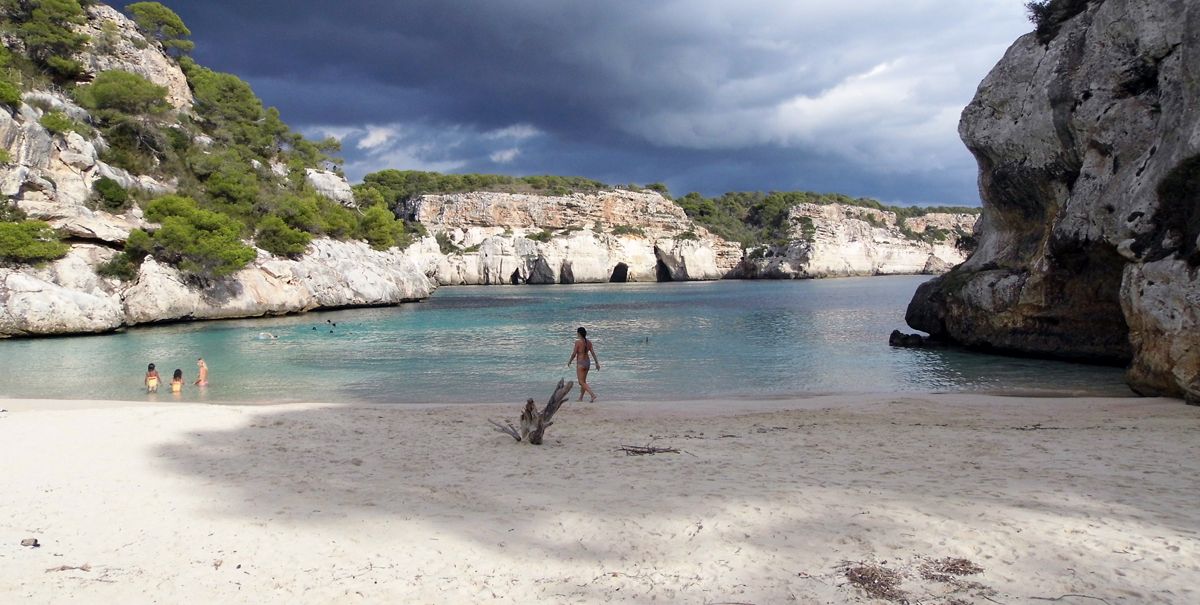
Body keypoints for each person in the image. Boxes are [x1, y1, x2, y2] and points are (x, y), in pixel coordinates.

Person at [567, 326, 600, 402]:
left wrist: (570, 361)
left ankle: (592, 395)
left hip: (581, 363)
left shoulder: (578, 342)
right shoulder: (589, 342)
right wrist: (596, 363)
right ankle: (580, 398)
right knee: (583, 381)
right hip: (587, 363)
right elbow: (593, 353)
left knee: (581, 382)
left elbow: (574, 354)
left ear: (579, 333)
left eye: (577, 333)